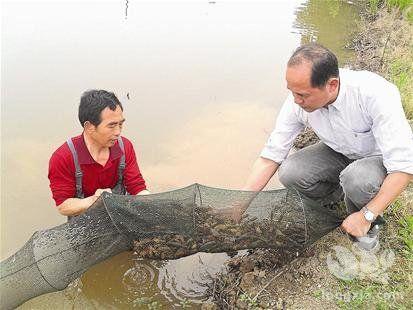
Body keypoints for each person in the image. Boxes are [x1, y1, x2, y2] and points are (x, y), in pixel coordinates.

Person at [227, 43, 413, 250]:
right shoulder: (296, 101)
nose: (296, 100)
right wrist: (241, 202)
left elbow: (404, 168)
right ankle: (338, 197)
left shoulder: (374, 93)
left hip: (377, 159)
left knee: (357, 179)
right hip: (340, 151)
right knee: (290, 172)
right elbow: (271, 155)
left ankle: (367, 223)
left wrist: (366, 214)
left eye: (303, 95)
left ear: (332, 85)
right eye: (292, 92)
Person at [48, 89, 149, 216]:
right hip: (84, 223)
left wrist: (149, 201)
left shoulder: (125, 147)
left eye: (120, 124)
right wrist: (95, 200)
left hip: (120, 216)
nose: (118, 132)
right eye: (111, 126)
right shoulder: (63, 157)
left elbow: (137, 188)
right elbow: (63, 206)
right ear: (89, 127)